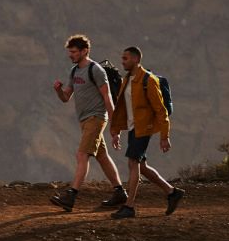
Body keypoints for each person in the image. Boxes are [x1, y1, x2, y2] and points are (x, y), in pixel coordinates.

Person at [50, 34, 127, 212]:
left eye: (74, 52)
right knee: (101, 156)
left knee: (82, 155)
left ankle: (71, 196)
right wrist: (58, 90)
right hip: (84, 120)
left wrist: (115, 128)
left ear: (85, 51)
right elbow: (66, 97)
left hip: (97, 118)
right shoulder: (74, 71)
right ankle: (120, 193)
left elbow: (108, 99)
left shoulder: (96, 70)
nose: (71, 55)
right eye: (70, 52)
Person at [108, 46, 186, 218]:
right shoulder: (127, 79)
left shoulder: (148, 80)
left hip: (143, 129)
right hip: (132, 127)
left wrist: (164, 137)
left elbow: (161, 110)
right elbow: (122, 108)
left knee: (132, 163)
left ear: (136, 59)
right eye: (122, 58)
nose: (122, 61)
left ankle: (129, 206)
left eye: (125, 58)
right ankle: (172, 192)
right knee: (141, 166)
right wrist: (116, 131)